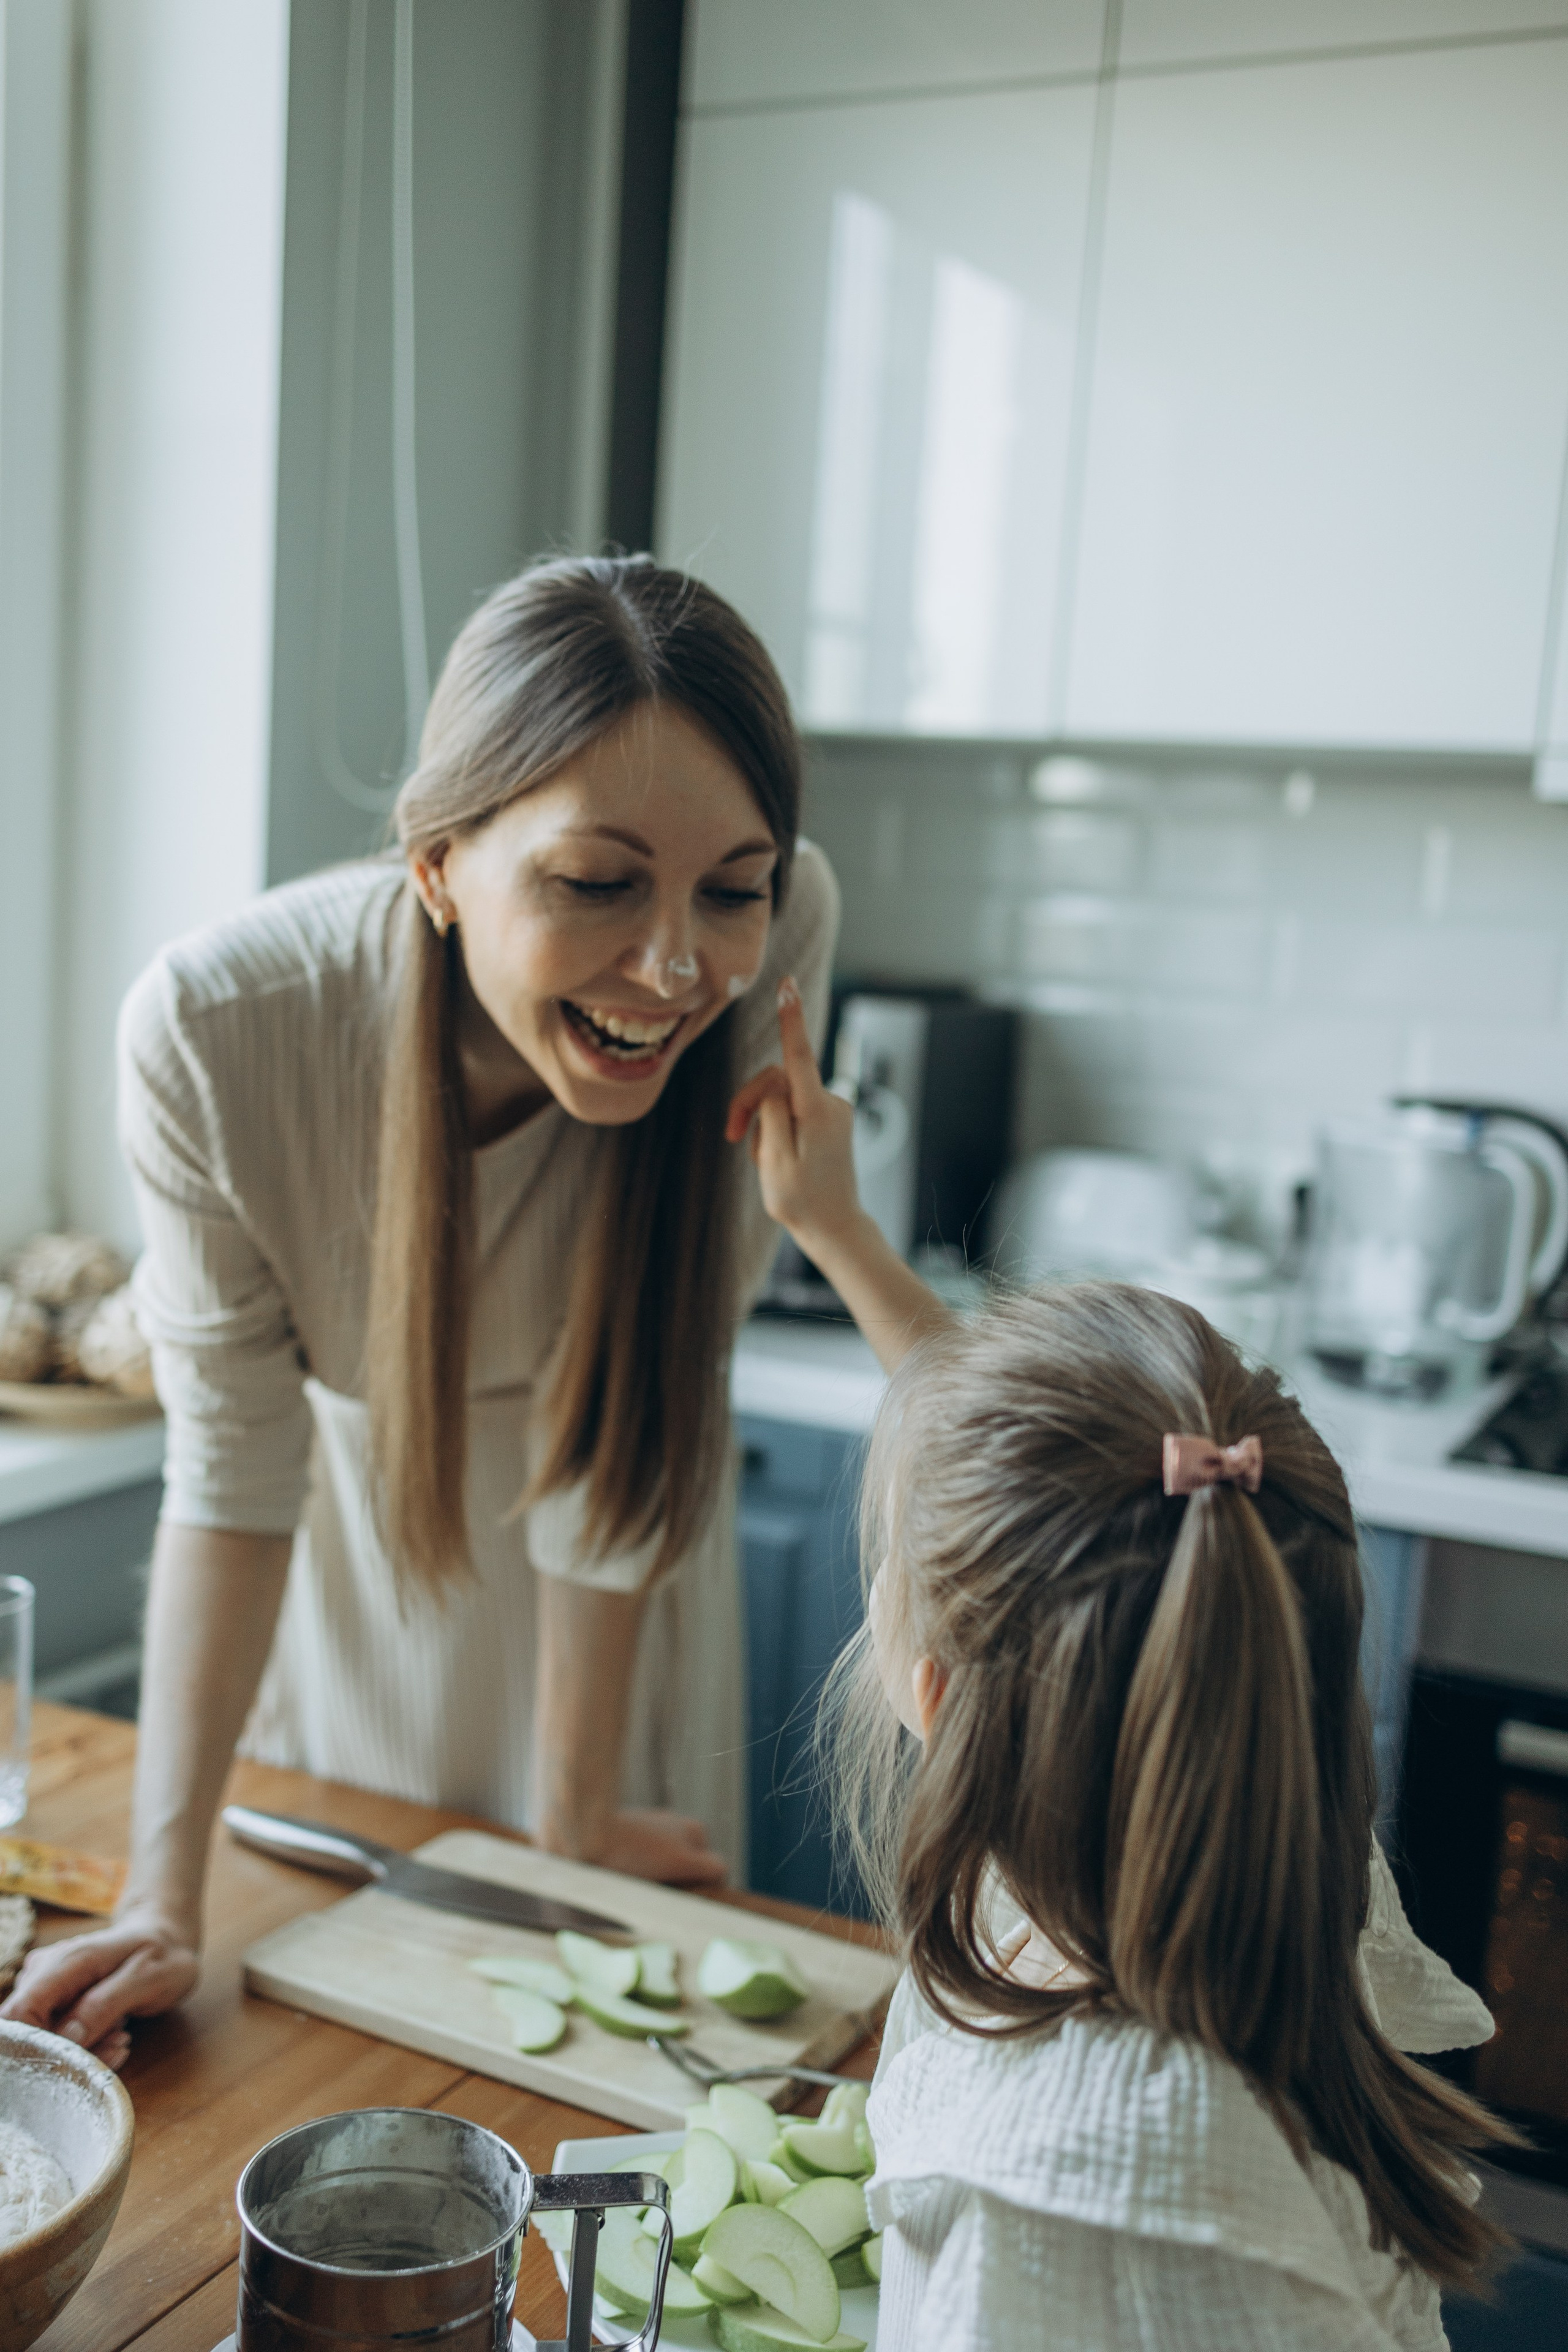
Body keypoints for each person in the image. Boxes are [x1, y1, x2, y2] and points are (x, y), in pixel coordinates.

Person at [2, 556, 839, 2065]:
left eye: (731, 886)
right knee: (334, 2028)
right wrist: (163, 1898)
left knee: (596, 2049)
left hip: (618, 1554)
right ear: (440, 863)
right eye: (596, 883)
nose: (677, 963)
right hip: (355, 1569)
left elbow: (645, 1381)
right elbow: (234, 1475)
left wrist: (570, 1816)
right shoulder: (215, 1031)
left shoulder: (778, 935)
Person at [725, 1007, 1516, 2351]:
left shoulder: (1046, 2220)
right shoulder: (1279, 1872)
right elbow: (1015, 1463)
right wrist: (839, 1232)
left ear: (928, 1696)